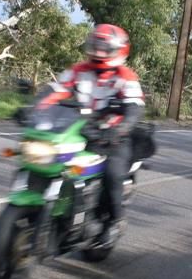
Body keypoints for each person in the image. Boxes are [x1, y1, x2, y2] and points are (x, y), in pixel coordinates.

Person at [36, 23, 145, 247]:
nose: (98, 51)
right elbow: (57, 91)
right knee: (51, 159)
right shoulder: (78, 70)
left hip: (114, 137)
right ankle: (56, 209)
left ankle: (115, 220)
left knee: (113, 172)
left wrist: (120, 130)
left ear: (119, 50)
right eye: (96, 46)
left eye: (104, 48)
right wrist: (33, 109)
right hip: (81, 130)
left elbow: (134, 108)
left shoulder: (126, 76)